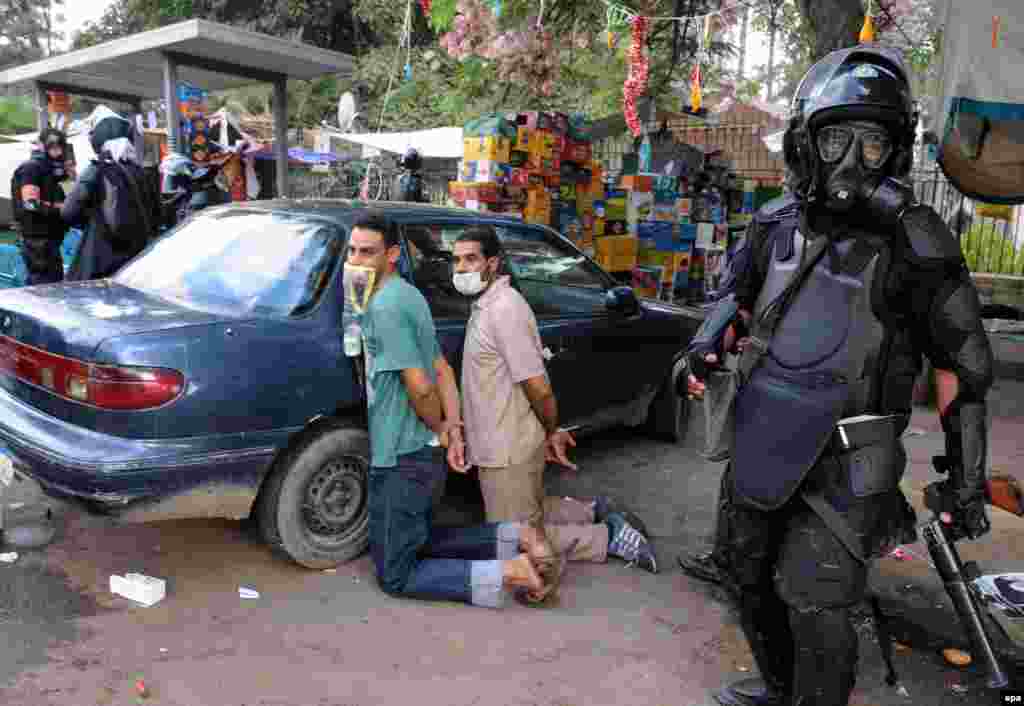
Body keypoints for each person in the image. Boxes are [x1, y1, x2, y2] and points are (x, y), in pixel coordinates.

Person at [686, 45, 994, 706]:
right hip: (763, 437)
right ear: (805, 144)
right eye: (836, 140)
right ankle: (782, 691)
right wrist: (708, 340)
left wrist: (966, 476)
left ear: (897, 152)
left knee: (816, 599)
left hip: (850, 461)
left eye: (874, 143)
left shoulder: (918, 244)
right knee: (744, 576)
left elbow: (963, 363)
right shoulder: (774, 225)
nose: (854, 161)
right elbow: (732, 296)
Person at [347, 210, 562, 609]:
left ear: (392, 254)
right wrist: (451, 430)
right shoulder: (408, 295)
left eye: (368, 252)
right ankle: (518, 536)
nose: (356, 261)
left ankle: (509, 570)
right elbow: (442, 367)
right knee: (420, 537)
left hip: (402, 453)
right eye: (353, 251)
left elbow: (421, 385)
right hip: (421, 451)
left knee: (396, 572)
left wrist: (443, 427)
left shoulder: (387, 308)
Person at [450, 226, 659, 575]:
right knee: (522, 509)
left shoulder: (504, 310)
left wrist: (551, 430)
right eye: (456, 260)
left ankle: (607, 538)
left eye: (470, 259)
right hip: (500, 441)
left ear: (493, 263)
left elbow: (539, 387)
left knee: (514, 537)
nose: (461, 268)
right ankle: (591, 511)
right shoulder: (486, 306)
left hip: (507, 445)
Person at [62, 107, 159, 281]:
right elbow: (156, 214)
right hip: (137, 259)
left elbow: (68, 212)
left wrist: (90, 218)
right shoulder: (141, 172)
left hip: (99, 257)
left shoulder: (95, 169)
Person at [10, 128, 72, 285]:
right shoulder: (32, 168)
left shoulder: (51, 172)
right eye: (52, 145)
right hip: (38, 240)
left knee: (52, 284)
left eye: (60, 146)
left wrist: (69, 173)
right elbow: (30, 203)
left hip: (48, 239)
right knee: (44, 287)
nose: (57, 151)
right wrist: (59, 207)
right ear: (42, 146)